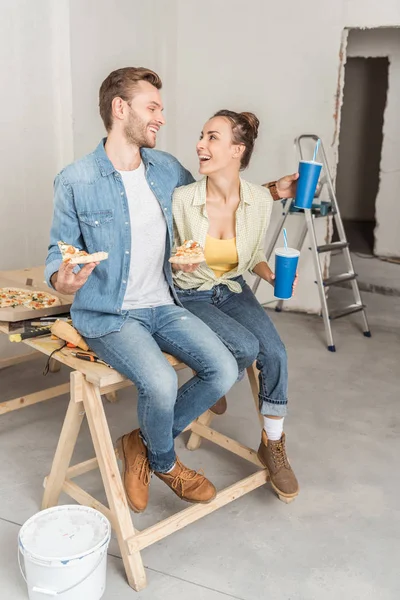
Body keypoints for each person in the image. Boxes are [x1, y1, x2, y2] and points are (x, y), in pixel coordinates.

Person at [45, 68, 243, 513]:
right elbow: (57, 257)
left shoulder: (168, 169)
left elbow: (209, 204)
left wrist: (267, 194)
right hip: (110, 314)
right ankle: (167, 462)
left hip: (164, 303)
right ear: (121, 109)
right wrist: (65, 279)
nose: (161, 118)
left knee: (223, 368)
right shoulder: (75, 180)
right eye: (152, 107)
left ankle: (140, 442)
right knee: (160, 379)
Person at [172, 110, 299, 502]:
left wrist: (273, 277)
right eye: (201, 136)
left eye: (212, 137)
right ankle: (210, 381)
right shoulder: (183, 200)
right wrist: (177, 261)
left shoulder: (260, 200)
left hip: (232, 287)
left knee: (275, 352)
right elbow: (167, 256)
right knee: (243, 348)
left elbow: (253, 254)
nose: (200, 144)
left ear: (236, 150)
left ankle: (273, 445)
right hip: (191, 292)